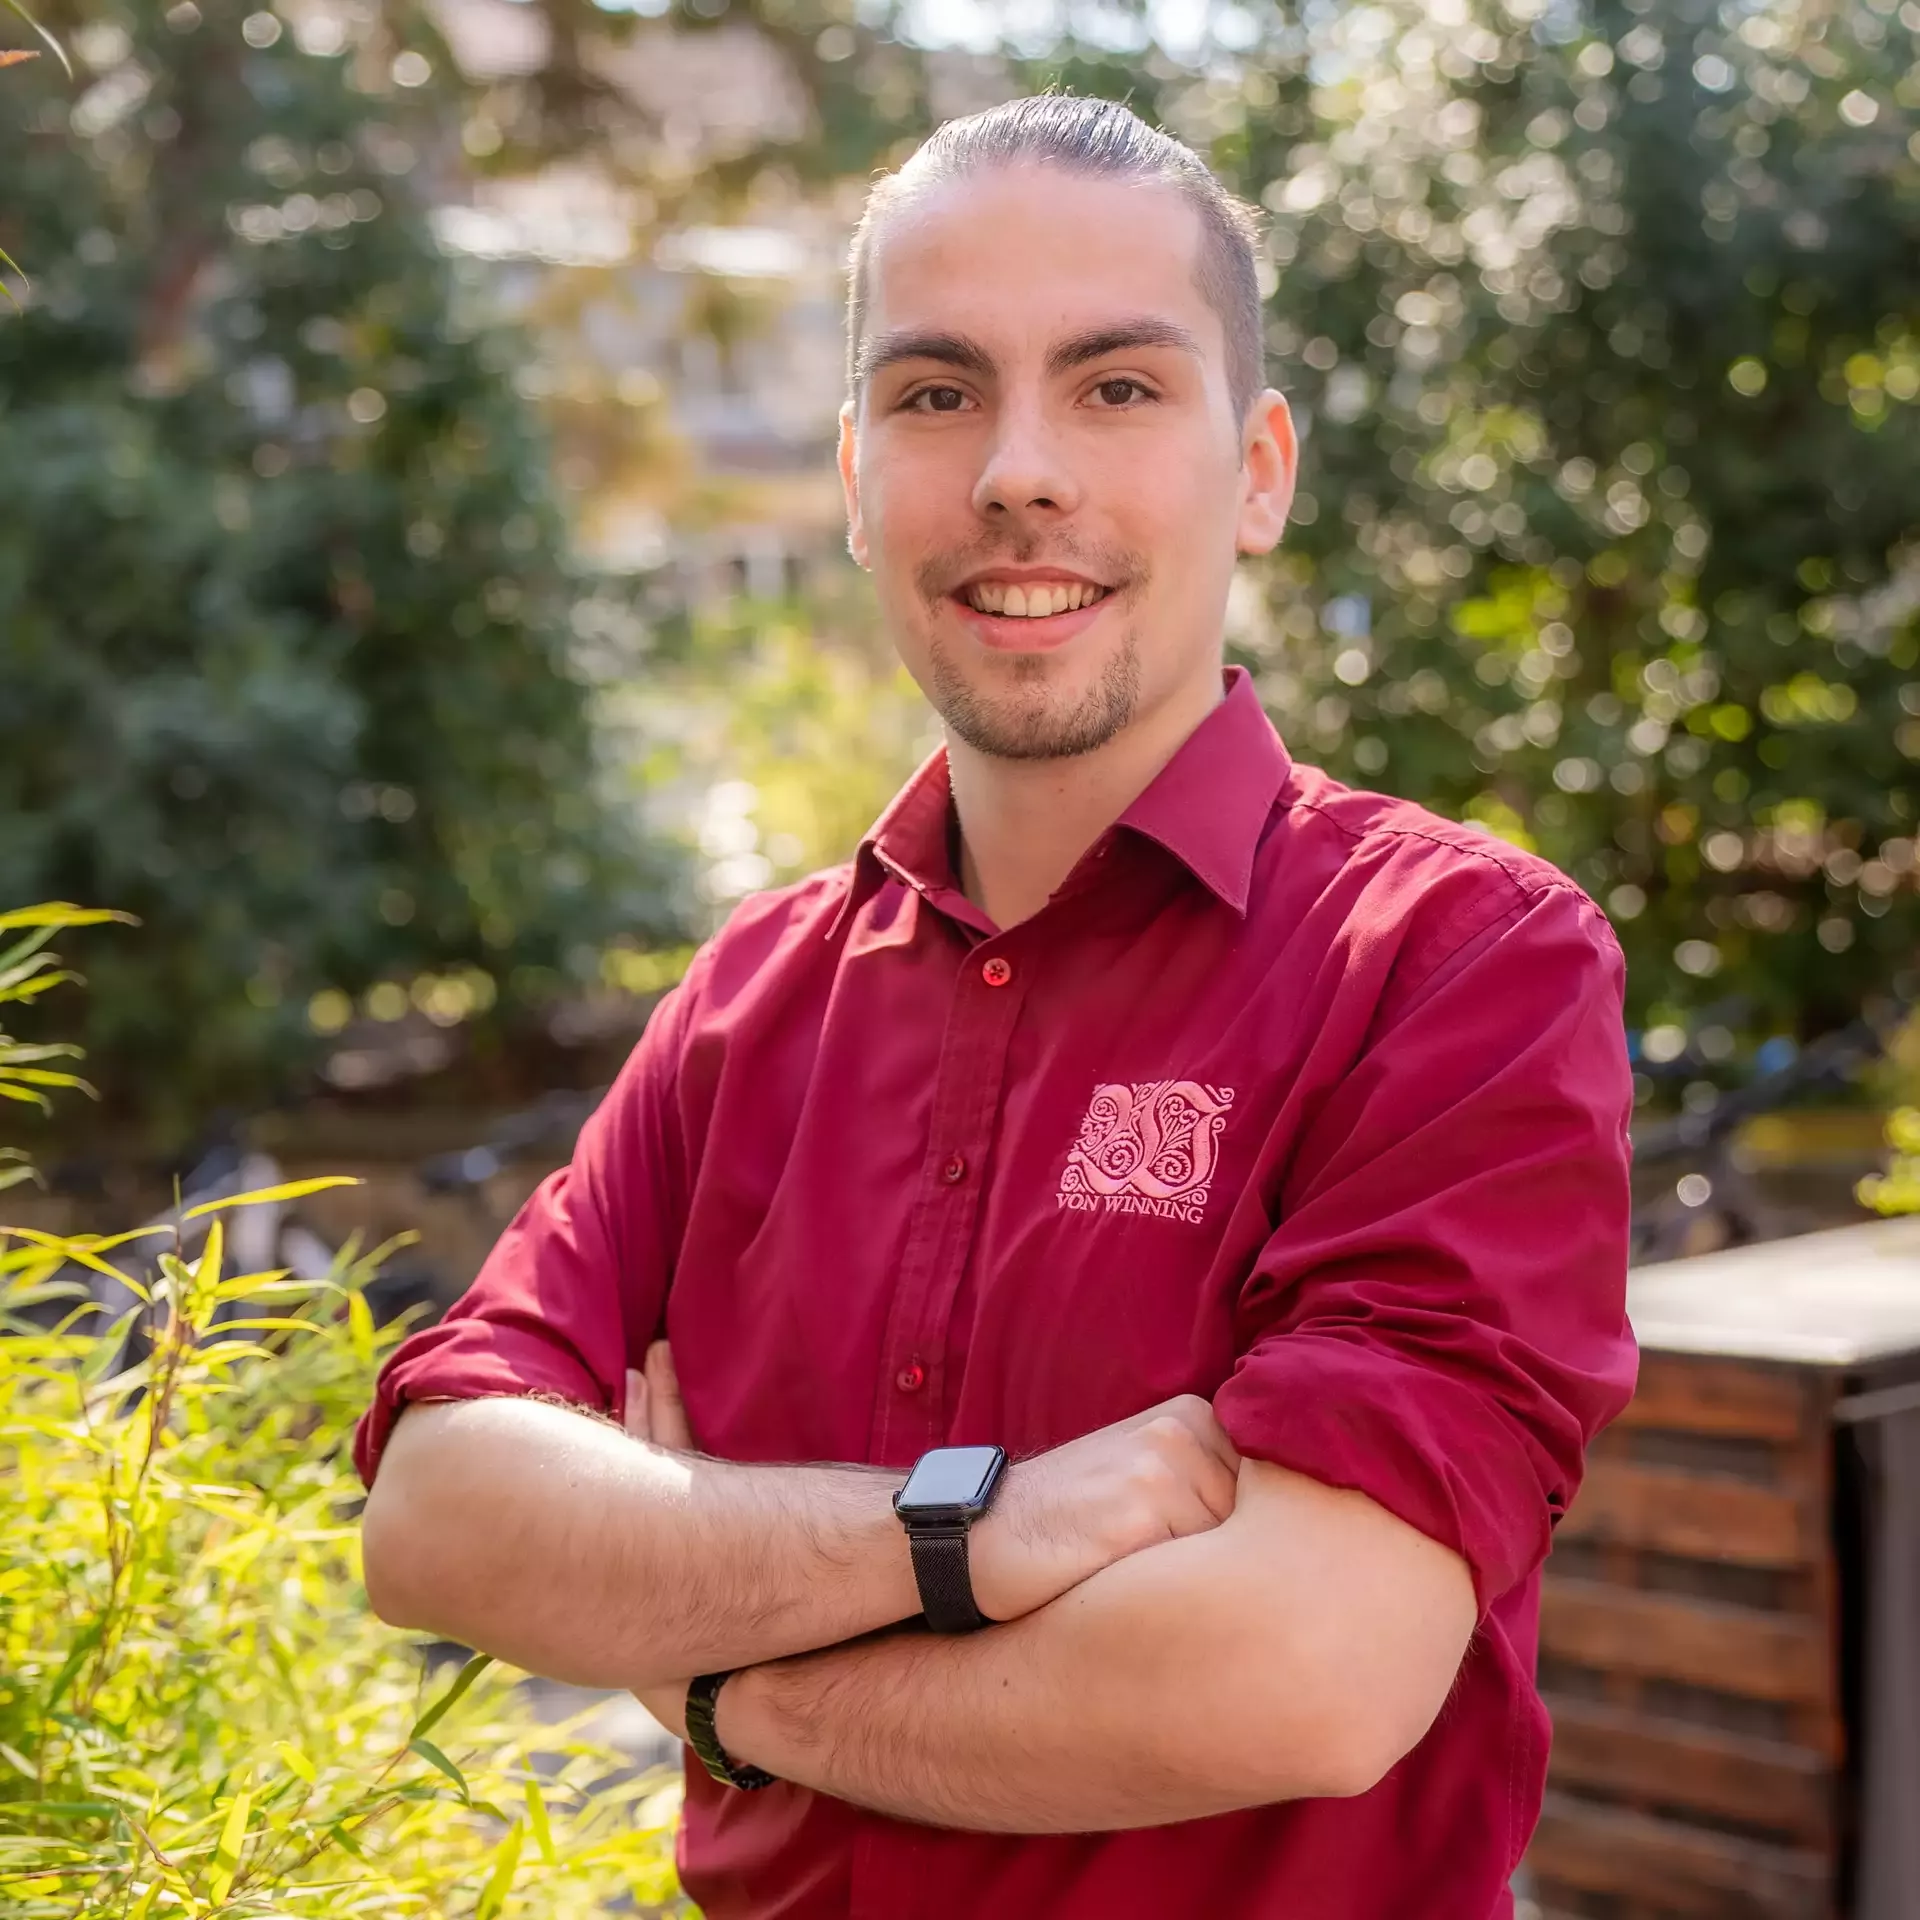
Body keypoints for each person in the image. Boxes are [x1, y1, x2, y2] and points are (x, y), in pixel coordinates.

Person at [355, 93, 1636, 1920]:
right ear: (860, 477)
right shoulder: (746, 1008)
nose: (1018, 472)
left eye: (1118, 387)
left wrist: (715, 1669)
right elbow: (442, 1514)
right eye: (937, 393)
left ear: (1258, 468)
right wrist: (987, 1530)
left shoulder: (1458, 966)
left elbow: (1303, 1675)